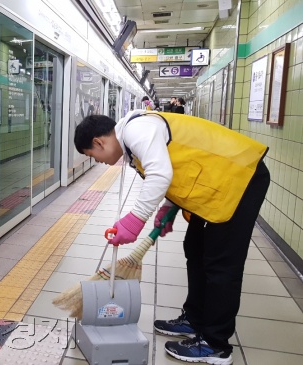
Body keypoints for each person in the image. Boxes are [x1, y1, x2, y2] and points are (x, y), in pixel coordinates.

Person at [73, 110, 269, 365]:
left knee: (221, 264)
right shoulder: (134, 138)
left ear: (99, 142)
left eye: (93, 157)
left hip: (239, 179)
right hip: (216, 184)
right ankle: (195, 319)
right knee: (195, 248)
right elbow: (177, 166)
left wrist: (134, 221)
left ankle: (215, 344)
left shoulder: (136, 130)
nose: (98, 161)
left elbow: (160, 173)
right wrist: (168, 207)